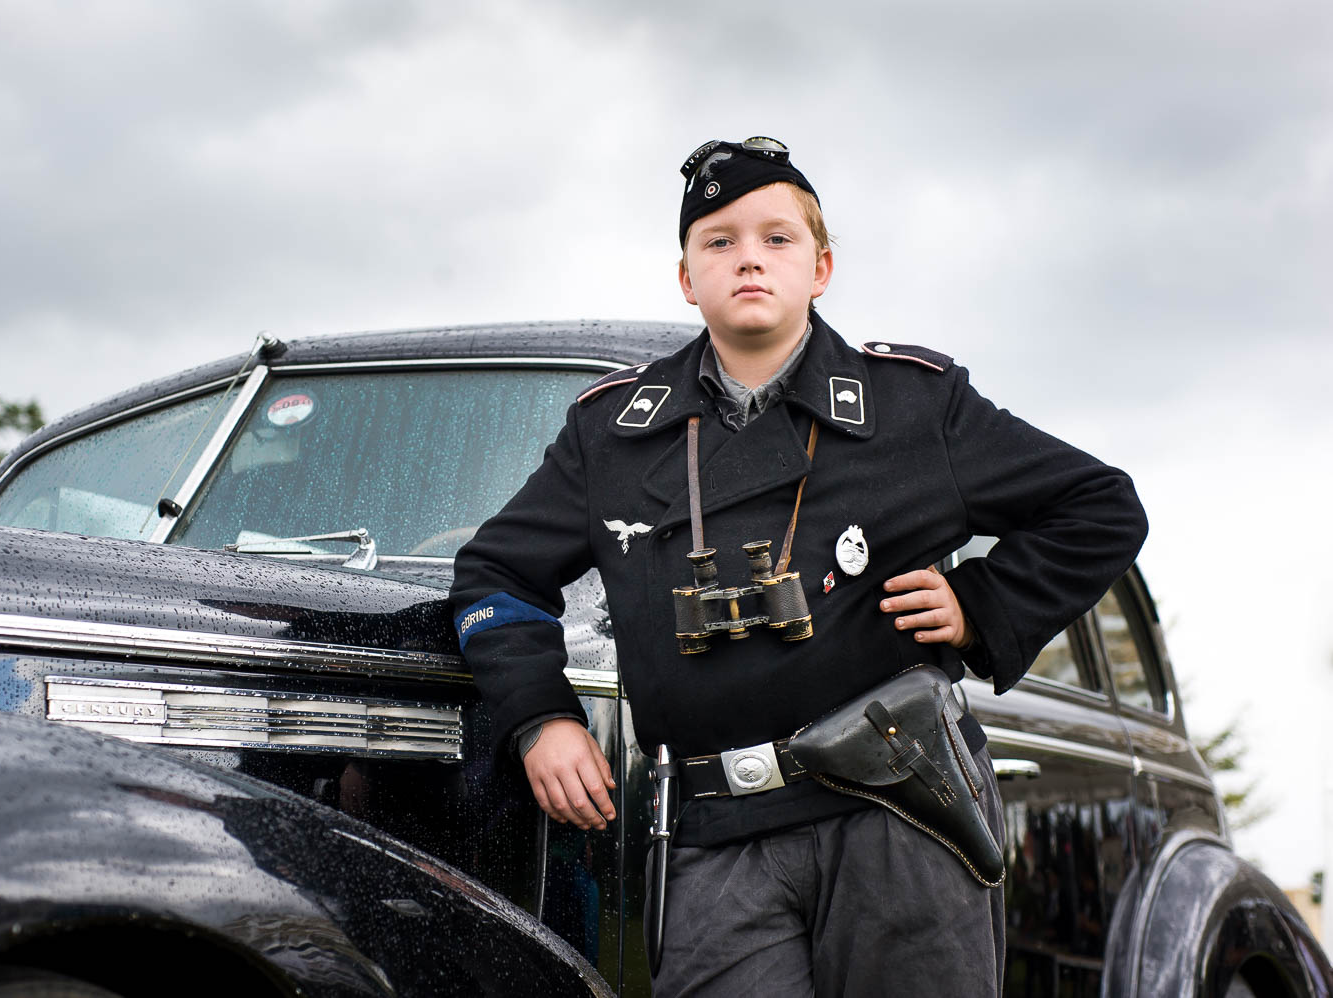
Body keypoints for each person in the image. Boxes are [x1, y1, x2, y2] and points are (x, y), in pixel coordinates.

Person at [450, 136, 1148, 996]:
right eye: (719, 240)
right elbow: (492, 573)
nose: (749, 257)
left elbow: (1102, 506)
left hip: (902, 815)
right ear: (685, 278)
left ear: (820, 268)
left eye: (776, 239)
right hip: (717, 830)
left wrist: (981, 603)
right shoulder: (613, 433)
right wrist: (540, 719)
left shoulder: (912, 407)